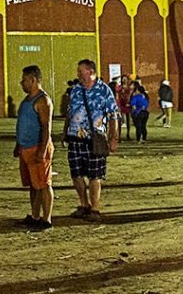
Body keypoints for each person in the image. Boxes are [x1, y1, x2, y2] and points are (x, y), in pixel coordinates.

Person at [64, 59, 120, 222]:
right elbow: (70, 112)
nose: (78, 74)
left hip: (94, 139)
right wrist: (65, 131)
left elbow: (113, 115)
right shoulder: (76, 90)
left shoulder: (104, 90)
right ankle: (84, 204)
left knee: (95, 176)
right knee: (76, 174)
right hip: (75, 138)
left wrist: (113, 138)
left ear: (91, 72)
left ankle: (95, 208)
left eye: (81, 71)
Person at [14, 65, 54, 230]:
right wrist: (18, 144)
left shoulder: (43, 101)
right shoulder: (27, 100)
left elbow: (46, 128)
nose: (21, 83)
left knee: (43, 184)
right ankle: (35, 215)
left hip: (37, 148)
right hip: (26, 148)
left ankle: (46, 219)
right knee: (33, 185)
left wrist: (42, 151)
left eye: (24, 79)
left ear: (33, 80)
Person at [116, 74, 132, 141]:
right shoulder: (119, 87)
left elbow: (130, 95)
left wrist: (130, 102)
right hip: (121, 104)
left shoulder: (129, 87)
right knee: (119, 120)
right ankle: (119, 136)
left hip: (127, 104)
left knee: (128, 120)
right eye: (123, 79)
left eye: (125, 79)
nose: (124, 80)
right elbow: (117, 95)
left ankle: (128, 134)